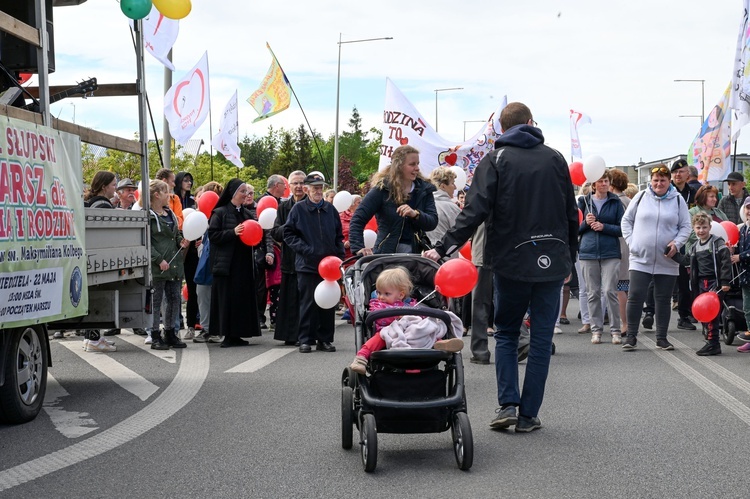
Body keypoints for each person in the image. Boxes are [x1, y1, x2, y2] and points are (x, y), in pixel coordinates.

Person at [424, 102, 578, 433]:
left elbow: (473, 212)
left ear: (501, 129)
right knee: (539, 338)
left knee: (507, 333)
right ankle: (529, 414)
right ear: (531, 123)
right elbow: (570, 212)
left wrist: (442, 247)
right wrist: (571, 256)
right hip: (552, 260)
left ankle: (508, 403)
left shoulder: (495, 160)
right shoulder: (554, 158)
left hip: (510, 260)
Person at [621, 164, 691, 351]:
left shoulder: (677, 200)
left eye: (663, 180)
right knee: (635, 296)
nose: (659, 183)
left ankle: (662, 338)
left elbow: (686, 226)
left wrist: (677, 243)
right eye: (656, 180)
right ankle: (631, 337)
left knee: (663, 298)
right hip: (640, 257)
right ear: (650, 182)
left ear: (669, 182)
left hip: (667, 258)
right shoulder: (641, 196)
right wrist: (631, 242)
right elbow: (626, 221)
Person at [349, 267, 464, 374]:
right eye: (378, 292)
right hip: (389, 333)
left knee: (426, 331)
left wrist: (416, 317)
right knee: (377, 339)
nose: (380, 297)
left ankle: (441, 343)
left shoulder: (411, 304)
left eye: (386, 293)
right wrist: (396, 316)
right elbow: (379, 319)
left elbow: (420, 319)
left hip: (411, 332)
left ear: (401, 295)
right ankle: (361, 358)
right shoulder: (377, 305)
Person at [282, 173, 345, 353]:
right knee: (308, 303)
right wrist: (307, 250)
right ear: (307, 189)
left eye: (320, 187)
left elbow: (339, 236)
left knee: (328, 303)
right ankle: (305, 339)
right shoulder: (298, 209)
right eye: (315, 187)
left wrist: (339, 257)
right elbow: (288, 234)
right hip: (308, 265)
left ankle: (325, 339)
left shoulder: (330, 210)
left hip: (330, 266)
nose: (318, 190)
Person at [349, 145, 438, 256]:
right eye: (412, 164)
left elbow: (432, 222)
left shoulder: (424, 190)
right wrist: (359, 248)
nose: (417, 168)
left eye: (418, 164)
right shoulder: (382, 190)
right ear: (399, 166)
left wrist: (416, 214)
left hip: (415, 256)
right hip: (386, 255)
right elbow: (357, 219)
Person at [208, 179, 261, 348]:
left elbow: (255, 235)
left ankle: (238, 333)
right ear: (233, 193)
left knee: (241, 299)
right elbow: (213, 236)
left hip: (243, 264)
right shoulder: (220, 212)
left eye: (246, 191)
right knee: (227, 300)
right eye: (242, 191)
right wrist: (233, 232)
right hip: (226, 265)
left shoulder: (247, 214)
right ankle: (227, 335)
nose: (246, 195)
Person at [578, 170, 625, 344]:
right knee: (593, 293)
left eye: (606, 180)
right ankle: (596, 330)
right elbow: (575, 228)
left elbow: (622, 228)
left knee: (609, 291)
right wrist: (586, 223)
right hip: (588, 252)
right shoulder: (584, 202)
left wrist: (603, 227)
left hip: (610, 252)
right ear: (594, 184)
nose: (604, 184)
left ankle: (615, 330)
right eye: (601, 181)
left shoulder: (615, 202)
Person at [147, 179, 189, 350]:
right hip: (159, 266)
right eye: (166, 192)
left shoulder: (169, 213)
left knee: (174, 299)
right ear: (157, 195)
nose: (169, 195)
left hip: (174, 264)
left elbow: (176, 233)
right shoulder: (149, 216)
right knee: (156, 302)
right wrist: (158, 260)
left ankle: (170, 332)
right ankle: (155, 334)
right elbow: (147, 242)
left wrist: (181, 241)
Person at [687, 212, 731, 356]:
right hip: (701, 283)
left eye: (704, 227)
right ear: (694, 228)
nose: (701, 231)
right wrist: (672, 254)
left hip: (715, 283)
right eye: (698, 227)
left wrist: (725, 281)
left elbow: (725, 261)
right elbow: (686, 261)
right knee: (704, 314)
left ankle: (714, 344)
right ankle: (710, 340)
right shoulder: (694, 246)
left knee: (712, 314)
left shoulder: (717, 242)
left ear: (710, 227)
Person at [271, 170, 307, 346]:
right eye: (295, 183)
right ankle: (290, 334)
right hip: (289, 260)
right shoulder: (283, 207)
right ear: (289, 187)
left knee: (305, 300)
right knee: (289, 300)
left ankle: (306, 335)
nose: (299, 186)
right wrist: (291, 226)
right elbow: (276, 232)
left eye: (302, 183)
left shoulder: (311, 205)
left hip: (308, 260)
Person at [192, 181, 224, 344]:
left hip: (215, 260)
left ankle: (214, 329)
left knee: (210, 294)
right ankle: (207, 328)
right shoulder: (202, 217)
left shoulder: (219, 215)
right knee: (203, 292)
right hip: (206, 260)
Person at [175, 171, 199, 340]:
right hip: (176, 246)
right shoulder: (172, 200)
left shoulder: (193, 202)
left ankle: (191, 324)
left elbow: (198, 221)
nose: (189, 183)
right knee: (173, 289)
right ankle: (175, 323)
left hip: (192, 250)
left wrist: (198, 238)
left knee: (193, 287)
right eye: (185, 180)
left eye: (190, 180)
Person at [610, 168, 631, 334]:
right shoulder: (630, 200)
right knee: (626, 288)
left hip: (618, 245)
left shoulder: (615, 201)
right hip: (630, 246)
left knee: (619, 288)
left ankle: (624, 324)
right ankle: (628, 322)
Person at [731, 197, 750, 351]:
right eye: (747, 208)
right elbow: (740, 249)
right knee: (747, 308)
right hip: (745, 276)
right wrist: (733, 251)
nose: (749, 211)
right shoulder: (743, 229)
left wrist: (741, 256)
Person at [426, 166, 461, 244]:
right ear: (443, 186)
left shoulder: (424, 204)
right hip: (446, 252)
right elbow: (461, 235)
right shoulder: (452, 208)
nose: (455, 187)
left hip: (425, 252)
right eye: (452, 183)